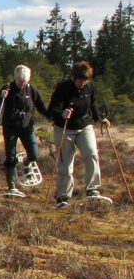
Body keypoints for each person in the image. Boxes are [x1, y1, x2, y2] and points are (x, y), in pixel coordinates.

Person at [47, 61, 111, 208]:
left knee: (92, 153)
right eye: (80, 81)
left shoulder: (90, 86)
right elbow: (51, 110)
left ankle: (92, 190)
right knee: (66, 163)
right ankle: (62, 197)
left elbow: (93, 105)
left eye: (86, 80)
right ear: (73, 77)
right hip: (64, 128)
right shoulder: (63, 86)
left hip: (85, 125)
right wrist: (61, 113)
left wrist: (100, 118)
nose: (83, 83)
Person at [0, 64, 51, 197]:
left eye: (25, 82)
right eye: (20, 82)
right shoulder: (8, 88)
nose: (23, 84)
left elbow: (42, 106)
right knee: (11, 156)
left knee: (34, 154)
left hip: (27, 126)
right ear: (15, 78)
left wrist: (53, 117)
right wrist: (1, 96)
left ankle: (27, 163)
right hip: (10, 127)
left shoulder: (31, 89)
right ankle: (11, 186)